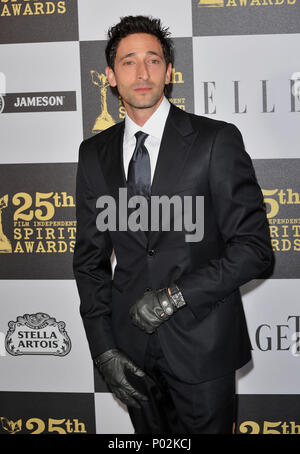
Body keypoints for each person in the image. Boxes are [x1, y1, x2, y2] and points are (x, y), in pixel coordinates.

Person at [73, 15, 274, 434]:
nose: (142, 73)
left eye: (153, 60)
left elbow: (254, 251)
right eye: (128, 62)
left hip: (203, 346)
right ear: (110, 76)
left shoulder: (215, 140)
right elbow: (89, 262)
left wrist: (174, 297)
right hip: (132, 354)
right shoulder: (93, 153)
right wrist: (104, 349)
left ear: (169, 72)